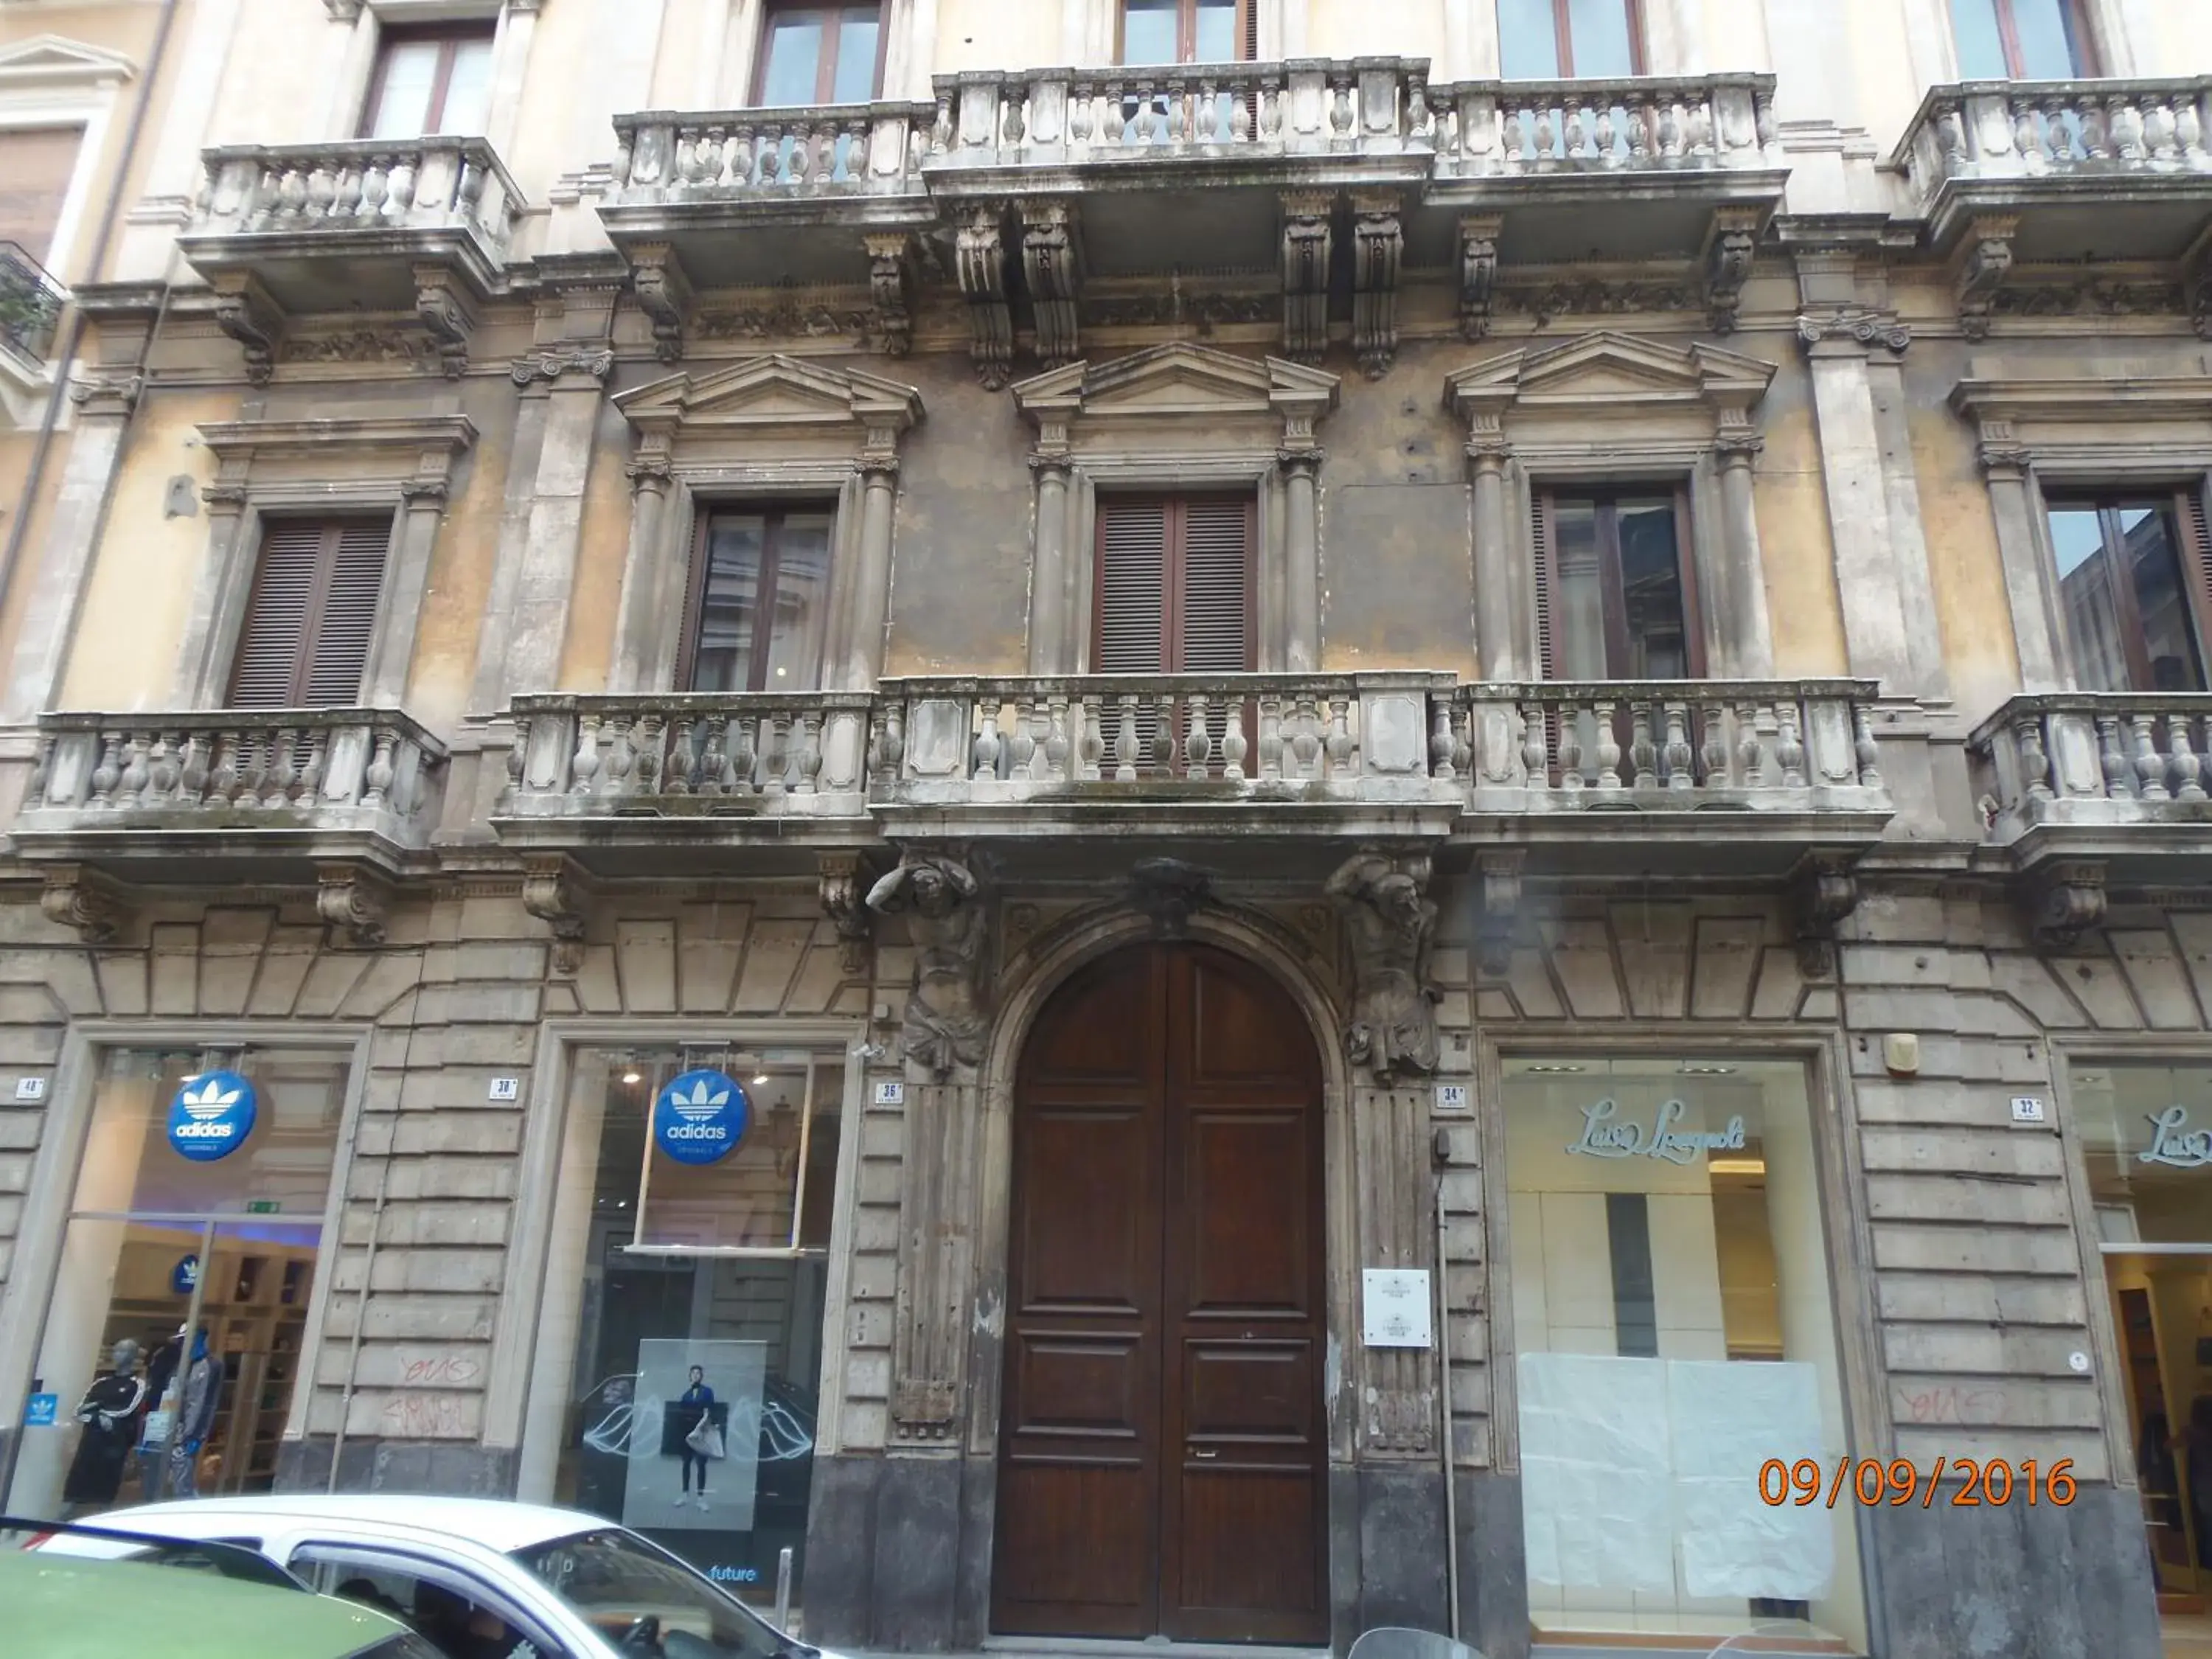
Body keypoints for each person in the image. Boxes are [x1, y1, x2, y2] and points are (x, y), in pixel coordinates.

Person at [62, 1339, 147, 1513]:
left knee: (106, 1484)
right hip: (90, 1442)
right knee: (78, 1480)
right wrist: (99, 1416)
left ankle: (104, 1514)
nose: (117, 1355)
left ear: (132, 1355)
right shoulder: (101, 1383)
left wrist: (100, 1410)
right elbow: (80, 1411)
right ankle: (65, 1514)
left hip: (114, 1443)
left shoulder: (135, 1384)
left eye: (122, 1351)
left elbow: (127, 1409)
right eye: (116, 1351)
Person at [165, 1327, 221, 1499]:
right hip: (172, 1428)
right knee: (169, 1478)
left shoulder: (211, 1366)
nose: (182, 1345)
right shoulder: (181, 1366)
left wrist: (196, 1435)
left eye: (185, 1340)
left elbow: (205, 1403)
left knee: (183, 1482)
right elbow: (171, 1397)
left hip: (188, 1433)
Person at [675, 1366, 717, 1512]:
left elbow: (707, 1413)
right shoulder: (686, 1395)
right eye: (693, 1373)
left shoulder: (707, 1392)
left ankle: (701, 1498)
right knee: (686, 1463)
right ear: (690, 1376)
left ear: (701, 1376)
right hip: (687, 1433)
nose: (695, 1376)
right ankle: (684, 1494)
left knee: (701, 1464)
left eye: (698, 1373)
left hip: (701, 1432)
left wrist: (698, 1429)